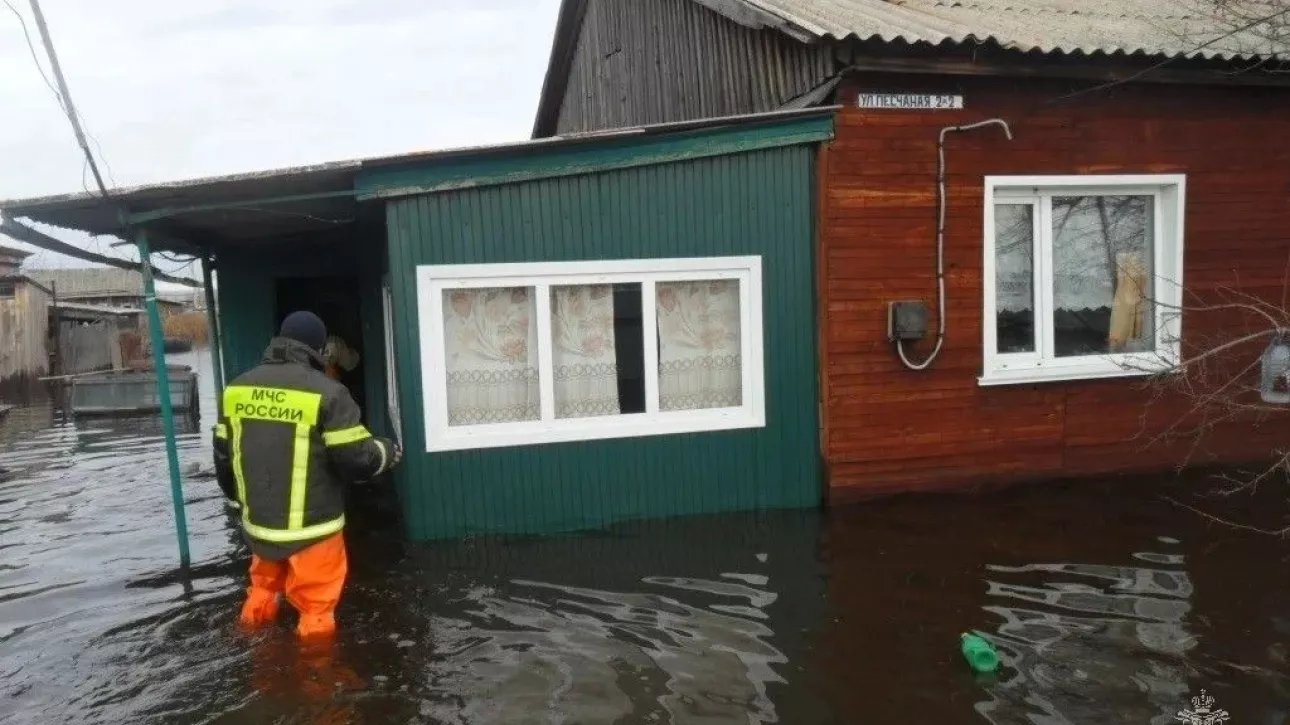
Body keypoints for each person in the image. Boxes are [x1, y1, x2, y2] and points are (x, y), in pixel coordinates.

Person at [212, 311, 402, 639]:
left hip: (260, 526)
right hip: (314, 530)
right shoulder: (328, 393)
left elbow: (223, 456)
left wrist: (235, 501)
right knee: (316, 610)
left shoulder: (236, 389)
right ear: (318, 347)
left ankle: (255, 655)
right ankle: (315, 680)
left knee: (262, 593)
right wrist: (388, 451)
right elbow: (356, 459)